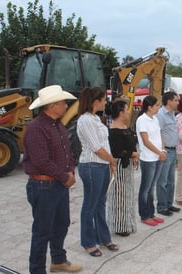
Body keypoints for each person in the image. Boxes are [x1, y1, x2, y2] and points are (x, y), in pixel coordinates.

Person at [23, 85, 82, 273]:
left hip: (58, 184)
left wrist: (70, 171)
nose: (66, 105)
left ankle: (58, 260)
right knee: (42, 231)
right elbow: (41, 161)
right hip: (43, 186)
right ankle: (37, 269)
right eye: (63, 102)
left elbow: (68, 153)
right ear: (52, 105)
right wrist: (65, 176)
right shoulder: (37, 128)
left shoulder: (58, 125)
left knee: (61, 224)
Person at [77, 87, 119, 257]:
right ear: (95, 102)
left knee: (100, 203)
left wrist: (110, 162)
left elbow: (104, 144)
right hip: (91, 166)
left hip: (101, 165)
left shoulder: (96, 118)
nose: (105, 102)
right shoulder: (85, 120)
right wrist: (111, 159)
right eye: (103, 100)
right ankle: (88, 242)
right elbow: (96, 148)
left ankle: (103, 238)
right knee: (90, 204)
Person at [107, 100, 140, 237]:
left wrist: (134, 154)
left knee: (128, 195)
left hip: (127, 166)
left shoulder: (125, 127)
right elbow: (117, 151)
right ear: (121, 112)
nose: (128, 112)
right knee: (119, 196)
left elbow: (131, 143)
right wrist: (133, 154)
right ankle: (119, 225)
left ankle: (127, 222)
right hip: (119, 165)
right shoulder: (113, 131)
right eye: (126, 110)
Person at [136, 95, 166, 226]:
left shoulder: (155, 119)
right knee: (145, 188)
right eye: (157, 105)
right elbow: (146, 141)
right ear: (149, 107)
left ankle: (151, 213)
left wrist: (163, 150)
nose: (159, 107)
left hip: (158, 157)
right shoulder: (142, 120)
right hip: (148, 158)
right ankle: (144, 215)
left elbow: (160, 136)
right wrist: (159, 152)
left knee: (152, 187)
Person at [155, 91, 181, 216]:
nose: (178, 102)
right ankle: (161, 206)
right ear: (169, 101)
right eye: (176, 100)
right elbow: (157, 133)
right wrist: (162, 150)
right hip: (166, 151)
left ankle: (169, 204)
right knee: (162, 181)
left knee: (171, 180)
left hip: (173, 150)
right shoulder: (160, 114)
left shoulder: (172, 113)